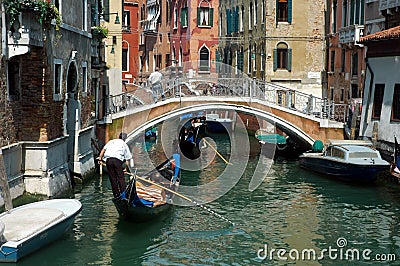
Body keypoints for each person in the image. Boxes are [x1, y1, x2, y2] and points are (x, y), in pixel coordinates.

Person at [98, 132, 132, 199]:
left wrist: (100, 158)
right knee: (121, 178)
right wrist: (126, 168)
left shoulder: (111, 141)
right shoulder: (124, 144)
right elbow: (128, 159)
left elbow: (103, 150)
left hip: (109, 161)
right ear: (125, 138)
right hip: (117, 161)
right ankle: (123, 195)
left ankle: (116, 195)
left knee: (112, 178)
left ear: (119, 136)